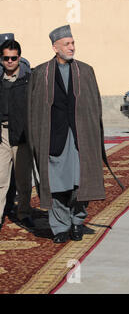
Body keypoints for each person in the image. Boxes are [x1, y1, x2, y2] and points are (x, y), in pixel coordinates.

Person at [27, 25, 110, 243]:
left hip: (80, 139)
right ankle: (60, 227)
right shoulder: (41, 73)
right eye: (67, 44)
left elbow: (94, 106)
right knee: (57, 186)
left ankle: (77, 221)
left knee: (79, 184)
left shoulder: (86, 71)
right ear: (55, 47)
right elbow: (34, 109)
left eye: (73, 43)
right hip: (54, 139)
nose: (72, 47)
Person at [0, 40, 34, 232]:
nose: (10, 61)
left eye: (14, 58)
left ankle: (24, 213)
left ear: (19, 58)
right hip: (2, 134)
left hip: (21, 135)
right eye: (6, 58)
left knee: (23, 180)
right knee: (0, 179)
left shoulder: (28, 80)